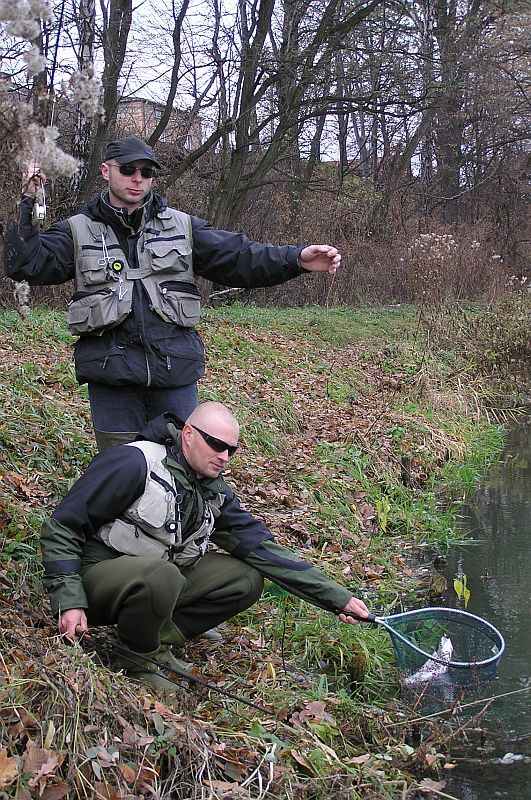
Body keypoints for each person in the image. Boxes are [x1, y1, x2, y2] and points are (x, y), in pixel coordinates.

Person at [4, 136, 342, 451]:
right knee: (121, 472)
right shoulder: (76, 231)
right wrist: (28, 202)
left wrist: (296, 259)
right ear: (106, 171)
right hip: (111, 378)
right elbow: (24, 264)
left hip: (174, 373)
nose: (138, 178)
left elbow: (240, 257)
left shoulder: (182, 227)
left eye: (147, 172)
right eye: (128, 169)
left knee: (185, 467)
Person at [40, 401, 370, 691]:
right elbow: (62, 527)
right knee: (162, 576)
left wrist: (337, 598)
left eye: (231, 450)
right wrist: (69, 600)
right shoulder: (134, 463)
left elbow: (263, 550)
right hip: (95, 582)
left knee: (246, 578)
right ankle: (137, 659)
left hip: (155, 578)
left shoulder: (213, 491)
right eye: (216, 445)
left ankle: (154, 642)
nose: (224, 457)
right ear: (188, 435)